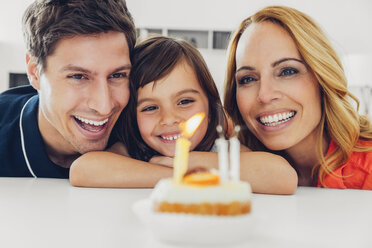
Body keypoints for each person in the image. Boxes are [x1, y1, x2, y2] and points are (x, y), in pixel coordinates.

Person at [70, 36, 298, 194]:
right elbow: (83, 170)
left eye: (185, 101)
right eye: (150, 107)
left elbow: (282, 177)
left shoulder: (220, 149)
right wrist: (181, 175)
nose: (169, 119)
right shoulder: (134, 151)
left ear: (211, 106)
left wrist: (188, 162)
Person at [224, 6, 372, 189]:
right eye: (248, 79)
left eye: (287, 71)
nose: (264, 95)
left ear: (322, 77)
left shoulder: (368, 171)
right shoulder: (239, 164)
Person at [0, 0, 136, 178]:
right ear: (35, 73)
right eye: (78, 76)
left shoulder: (149, 123)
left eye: (117, 75)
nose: (104, 106)